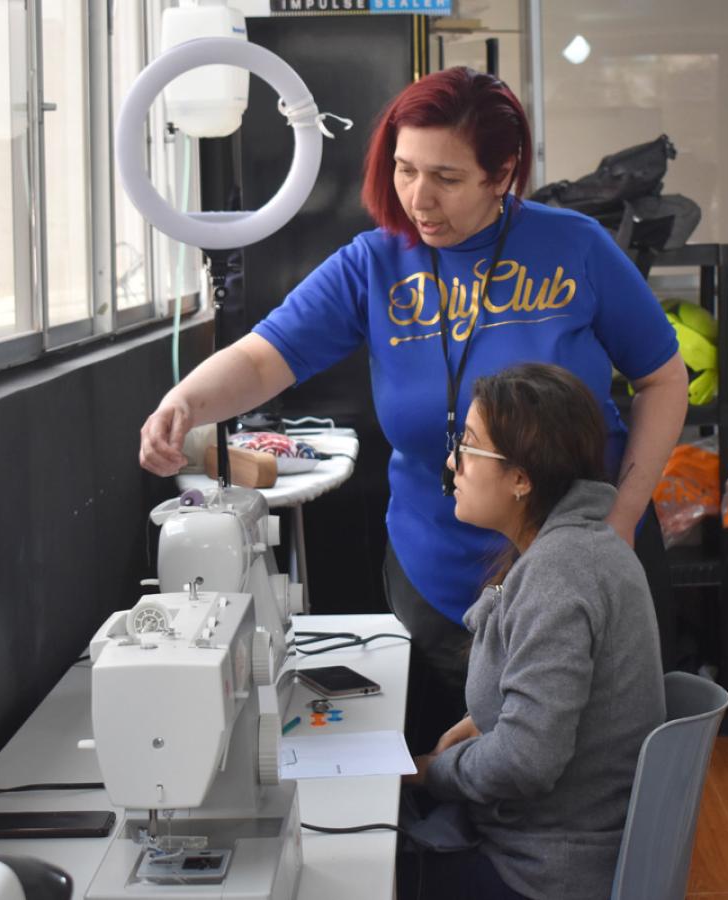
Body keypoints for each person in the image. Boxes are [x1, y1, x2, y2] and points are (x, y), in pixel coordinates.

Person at [139, 66, 687, 746]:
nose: (419, 199)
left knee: (588, 777)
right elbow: (262, 358)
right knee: (452, 784)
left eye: (447, 178)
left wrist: (623, 518)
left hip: (587, 559)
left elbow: (664, 380)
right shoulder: (375, 263)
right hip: (439, 576)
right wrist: (185, 400)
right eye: (404, 170)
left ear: (502, 172)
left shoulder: (574, 247)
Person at [398, 362, 665, 900]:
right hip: (555, 848)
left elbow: (526, 760)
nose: (452, 463)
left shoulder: (560, 574)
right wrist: (479, 724)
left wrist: (433, 771)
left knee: (349, 871)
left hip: (545, 874)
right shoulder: (582, 546)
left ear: (522, 479)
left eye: (469, 448)